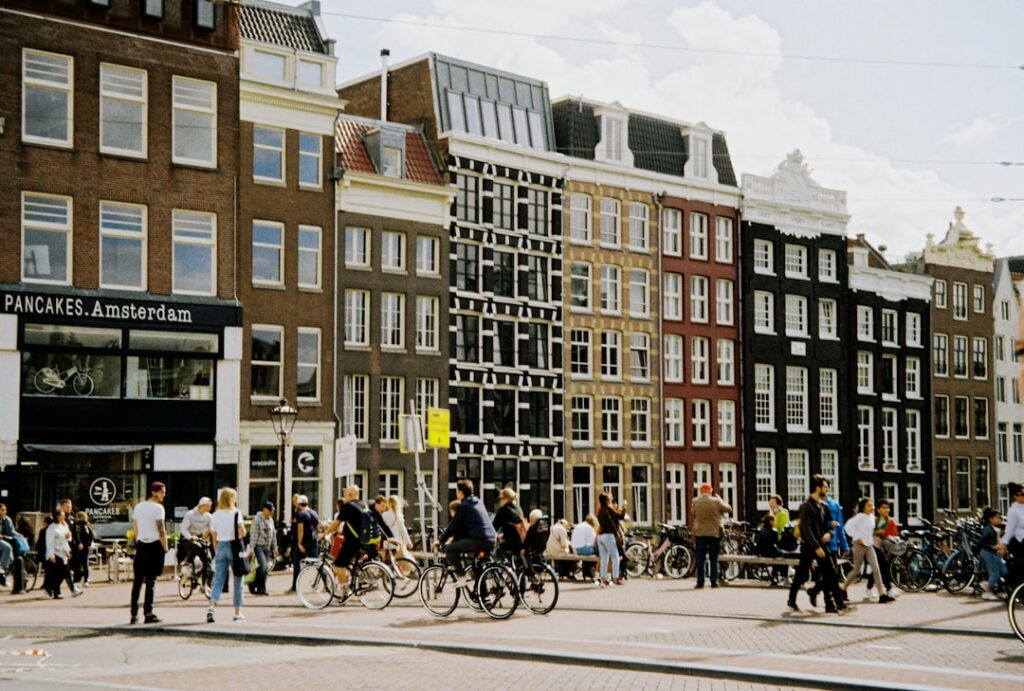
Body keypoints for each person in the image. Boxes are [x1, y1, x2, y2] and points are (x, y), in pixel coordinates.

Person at [787, 475, 846, 613]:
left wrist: (829, 534)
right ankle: (791, 601)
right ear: (817, 488)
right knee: (801, 575)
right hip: (809, 546)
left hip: (822, 545)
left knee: (831, 573)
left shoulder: (824, 506)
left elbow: (831, 525)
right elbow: (806, 529)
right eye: (825, 487)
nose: (827, 489)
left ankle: (837, 604)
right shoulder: (806, 506)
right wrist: (816, 546)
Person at [433, 480, 496, 587]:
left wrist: (440, 540)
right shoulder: (478, 502)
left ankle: (462, 576)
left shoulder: (464, 505)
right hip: (491, 539)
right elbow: (465, 526)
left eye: (457, 491)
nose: (456, 493)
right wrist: (455, 539)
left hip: (479, 540)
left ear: (461, 492)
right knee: (478, 566)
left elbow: (453, 525)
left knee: (450, 549)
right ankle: (483, 597)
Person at [206, 487, 246, 623]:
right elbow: (242, 532)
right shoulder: (236, 513)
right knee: (238, 580)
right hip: (234, 547)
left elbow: (214, 535)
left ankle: (211, 607)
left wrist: (217, 549)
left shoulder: (216, 514)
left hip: (221, 546)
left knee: (218, 580)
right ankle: (237, 612)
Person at [130, 481, 168, 624]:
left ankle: (134, 613)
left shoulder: (138, 507)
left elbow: (134, 525)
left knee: (138, 581)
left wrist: (139, 538)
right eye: (162, 492)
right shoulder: (158, 508)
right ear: (154, 492)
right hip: (154, 545)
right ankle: (148, 612)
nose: (164, 494)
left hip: (142, 545)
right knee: (151, 581)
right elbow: (161, 529)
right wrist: (164, 546)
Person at [842, 498, 893, 603]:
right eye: (869, 506)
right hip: (859, 545)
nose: (872, 507)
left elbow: (874, 529)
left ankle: (882, 594)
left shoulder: (871, 517)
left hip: (869, 545)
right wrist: (856, 537)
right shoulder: (859, 517)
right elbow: (847, 527)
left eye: (872, 505)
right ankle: (843, 588)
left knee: (876, 568)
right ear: (863, 508)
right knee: (857, 571)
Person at [808, 495, 849, 607]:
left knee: (831, 574)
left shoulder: (834, 505)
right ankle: (830, 602)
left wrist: (844, 545)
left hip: (832, 543)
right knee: (830, 574)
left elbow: (839, 527)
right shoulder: (814, 506)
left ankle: (815, 591)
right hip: (821, 545)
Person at [323, 486, 366, 591]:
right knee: (347, 564)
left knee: (338, 565)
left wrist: (325, 533)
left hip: (352, 541)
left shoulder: (348, 506)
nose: (344, 497)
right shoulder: (363, 504)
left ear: (350, 495)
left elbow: (336, 524)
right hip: (364, 540)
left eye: (345, 495)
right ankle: (354, 582)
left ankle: (344, 593)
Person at [691, 483, 731, 589]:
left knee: (700, 558)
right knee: (714, 558)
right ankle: (714, 582)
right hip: (714, 533)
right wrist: (720, 500)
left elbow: (692, 511)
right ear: (710, 491)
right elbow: (729, 509)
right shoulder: (716, 501)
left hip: (700, 533)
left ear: (701, 491)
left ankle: (700, 582)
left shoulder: (695, 501)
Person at [867, 499, 898, 598]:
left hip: (886, 549)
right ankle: (889, 589)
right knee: (883, 568)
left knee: (877, 569)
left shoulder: (891, 521)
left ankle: (869, 588)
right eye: (884, 508)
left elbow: (894, 535)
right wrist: (877, 532)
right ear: (878, 510)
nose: (886, 510)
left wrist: (885, 534)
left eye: (888, 508)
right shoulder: (874, 520)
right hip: (874, 546)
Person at [288, 494, 319, 593]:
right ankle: (327, 583)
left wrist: (300, 543)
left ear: (299, 503)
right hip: (313, 541)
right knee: (318, 564)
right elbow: (317, 528)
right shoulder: (314, 513)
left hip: (304, 542)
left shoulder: (301, 514)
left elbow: (300, 530)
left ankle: (295, 586)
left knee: (297, 563)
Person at [596, 492, 626, 587]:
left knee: (604, 558)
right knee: (615, 557)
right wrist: (624, 507)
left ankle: (602, 580)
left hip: (600, 536)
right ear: (606, 500)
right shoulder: (609, 508)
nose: (611, 500)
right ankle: (616, 578)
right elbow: (620, 516)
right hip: (608, 535)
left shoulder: (600, 510)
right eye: (609, 498)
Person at [979, 507, 1008, 600]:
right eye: (997, 517)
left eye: (1000, 517)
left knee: (1004, 571)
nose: (999, 519)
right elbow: (981, 543)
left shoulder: (996, 529)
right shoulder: (988, 529)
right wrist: (993, 547)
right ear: (991, 519)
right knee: (995, 573)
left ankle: (997, 589)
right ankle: (987, 591)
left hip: (994, 553)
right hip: (988, 553)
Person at [44, 510, 74, 599]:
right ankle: (53, 590)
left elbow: (68, 538)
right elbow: (49, 542)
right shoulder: (51, 528)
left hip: (64, 552)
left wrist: (69, 537)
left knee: (58, 574)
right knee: (61, 572)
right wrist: (51, 555)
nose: (64, 517)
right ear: (57, 516)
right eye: (62, 515)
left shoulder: (64, 526)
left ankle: (53, 591)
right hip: (56, 552)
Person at [249, 501, 277, 596]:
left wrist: (275, 547)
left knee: (265, 568)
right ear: (264, 509)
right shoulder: (257, 519)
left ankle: (255, 585)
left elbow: (273, 535)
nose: (271, 512)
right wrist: (252, 549)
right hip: (259, 547)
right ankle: (261, 588)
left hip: (268, 547)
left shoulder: (271, 520)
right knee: (264, 566)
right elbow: (253, 534)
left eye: (272, 510)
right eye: (270, 510)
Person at [178, 497, 212, 571]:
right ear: (202, 505)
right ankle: (187, 560)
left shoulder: (208, 516)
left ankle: (207, 576)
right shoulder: (190, 514)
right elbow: (183, 528)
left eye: (210, 506)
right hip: (187, 538)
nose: (209, 508)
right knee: (197, 546)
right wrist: (190, 537)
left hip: (199, 538)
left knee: (207, 557)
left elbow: (212, 529)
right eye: (208, 506)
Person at [1000, 481, 1024, 584]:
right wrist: (1004, 544)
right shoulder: (1013, 510)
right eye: (1022, 494)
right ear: (1015, 496)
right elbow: (1009, 529)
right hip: (1019, 542)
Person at [492, 487, 525, 557]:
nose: (499, 501)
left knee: (497, 554)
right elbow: (512, 528)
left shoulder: (504, 510)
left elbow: (494, 527)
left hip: (511, 544)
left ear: (506, 498)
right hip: (521, 543)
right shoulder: (518, 508)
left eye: (500, 499)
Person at [71, 511, 95, 587]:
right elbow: (91, 535)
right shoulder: (87, 525)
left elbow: (76, 534)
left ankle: (77, 581)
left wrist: (79, 543)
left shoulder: (78, 525)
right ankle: (85, 580)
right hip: (85, 546)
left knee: (78, 564)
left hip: (79, 546)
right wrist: (88, 543)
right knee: (84, 564)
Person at [571, 514, 598, 581]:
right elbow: (593, 541)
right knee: (598, 550)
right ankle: (594, 569)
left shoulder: (579, 525)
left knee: (592, 549)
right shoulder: (589, 527)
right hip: (582, 549)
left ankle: (587, 571)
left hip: (575, 549)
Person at [0, 503, 13, 588]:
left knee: (11, 559)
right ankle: (1, 567)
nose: (4, 511)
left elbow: (12, 531)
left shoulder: (6, 519)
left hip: (3, 539)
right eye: (2, 510)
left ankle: (4, 578)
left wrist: (19, 535)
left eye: (5, 510)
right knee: (7, 547)